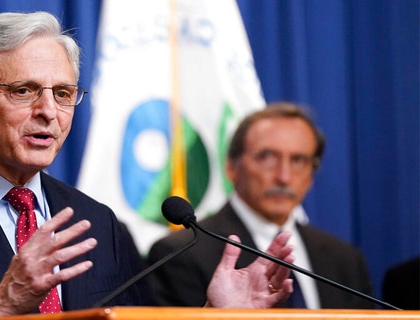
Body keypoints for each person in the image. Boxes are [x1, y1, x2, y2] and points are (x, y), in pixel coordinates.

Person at [0, 12, 296, 319]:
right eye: (23, 90)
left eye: (63, 94)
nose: (48, 112)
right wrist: (1, 305)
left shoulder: (97, 223)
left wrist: (215, 317)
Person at [148, 103, 374, 309]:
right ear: (232, 167)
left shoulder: (345, 259)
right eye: (267, 157)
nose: (284, 177)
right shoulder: (181, 254)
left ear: (311, 175)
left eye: (298, 161)